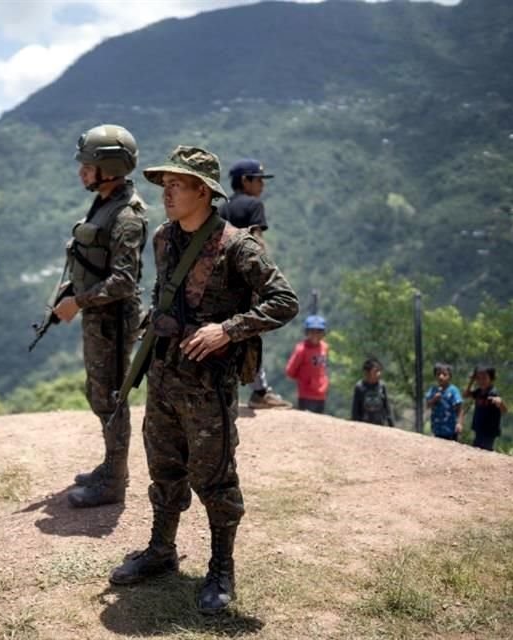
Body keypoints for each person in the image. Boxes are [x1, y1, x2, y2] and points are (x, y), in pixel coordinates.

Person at [108, 146, 298, 615]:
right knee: (164, 467)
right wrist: (151, 322)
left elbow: (284, 301)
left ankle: (221, 568)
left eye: (177, 185)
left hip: (208, 385)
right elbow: (165, 296)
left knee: (214, 478)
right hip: (164, 375)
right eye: (165, 184)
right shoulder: (161, 239)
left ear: (204, 191)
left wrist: (226, 330)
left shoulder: (238, 246)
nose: (167, 193)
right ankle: (162, 550)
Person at [54, 124, 148, 509]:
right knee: (99, 393)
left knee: (111, 397)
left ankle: (114, 481)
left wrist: (79, 303)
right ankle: (111, 465)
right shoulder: (105, 200)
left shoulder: (126, 215)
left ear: (109, 166)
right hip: (99, 316)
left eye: (88, 165)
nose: (81, 171)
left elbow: (124, 281)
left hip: (113, 320)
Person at [219, 158, 291, 410]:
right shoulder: (253, 205)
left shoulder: (223, 207)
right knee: (251, 331)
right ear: (244, 181)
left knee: (224, 330)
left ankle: (229, 385)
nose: (261, 185)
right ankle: (260, 391)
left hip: (223, 279)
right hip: (247, 279)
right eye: (258, 179)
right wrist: (267, 278)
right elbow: (257, 243)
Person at [285, 315, 329, 413]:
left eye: (319, 331)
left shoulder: (324, 347)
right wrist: (305, 380)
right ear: (306, 332)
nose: (315, 334)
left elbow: (323, 368)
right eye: (312, 331)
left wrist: (324, 382)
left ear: (323, 333)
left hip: (321, 394)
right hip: (306, 395)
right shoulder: (301, 350)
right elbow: (290, 371)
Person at [463, 365, 507, 451]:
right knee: (477, 449)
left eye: (484, 378)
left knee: (484, 451)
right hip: (479, 427)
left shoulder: (493, 393)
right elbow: (466, 394)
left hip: (489, 430)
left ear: (491, 379)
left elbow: (504, 410)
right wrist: (471, 381)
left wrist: (501, 403)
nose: (481, 381)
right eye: (478, 378)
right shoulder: (479, 392)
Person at [425, 362, 464, 441]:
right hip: (437, 429)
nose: (441, 377)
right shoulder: (433, 390)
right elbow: (428, 405)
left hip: (451, 430)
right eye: (438, 374)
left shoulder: (453, 390)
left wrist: (459, 423)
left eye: (444, 374)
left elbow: (460, 409)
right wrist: (434, 399)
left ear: (449, 376)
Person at [351, 358, 394, 426]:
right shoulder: (360, 387)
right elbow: (355, 411)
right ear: (367, 373)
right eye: (376, 371)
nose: (379, 374)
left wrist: (391, 425)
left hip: (380, 426)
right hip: (364, 426)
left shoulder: (382, 386)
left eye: (379, 371)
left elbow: (387, 409)